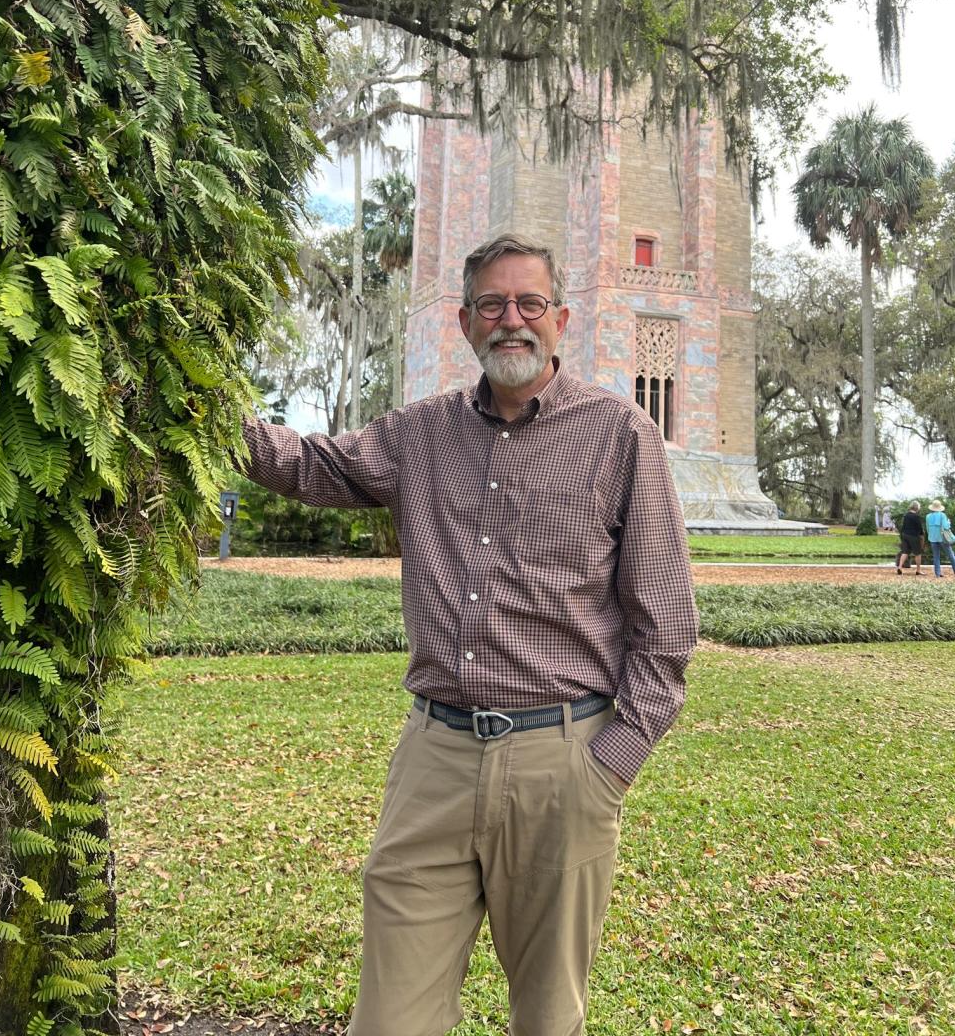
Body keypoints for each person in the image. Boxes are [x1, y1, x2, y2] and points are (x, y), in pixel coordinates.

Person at [238, 233, 698, 1036]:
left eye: (528, 304)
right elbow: (309, 465)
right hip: (435, 761)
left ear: (561, 318)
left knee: (548, 1019)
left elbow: (666, 626)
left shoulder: (621, 436)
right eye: (492, 304)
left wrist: (605, 770)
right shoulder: (420, 435)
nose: (510, 321)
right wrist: (202, 403)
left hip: (564, 762)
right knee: (390, 1019)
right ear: (463, 322)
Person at [925, 499, 955, 578]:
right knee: (950, 555)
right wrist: (949, 523)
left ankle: (937, 574)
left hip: (932, 538)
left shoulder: (928, 516)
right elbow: (945, 527)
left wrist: (930, 535)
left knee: (936, 556)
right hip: (943, 538)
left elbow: (927, 528)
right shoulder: (942, 515)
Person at [896, 501, 923, 575]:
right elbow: (919, 528)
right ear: (917, 507)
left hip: (905, 535)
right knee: (918, 553)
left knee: (905, 552)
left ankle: (900, 567)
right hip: (913, 536)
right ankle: (918, 570)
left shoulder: (906, 515)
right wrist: (922, 536)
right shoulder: (916, 516)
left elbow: (903, 526)